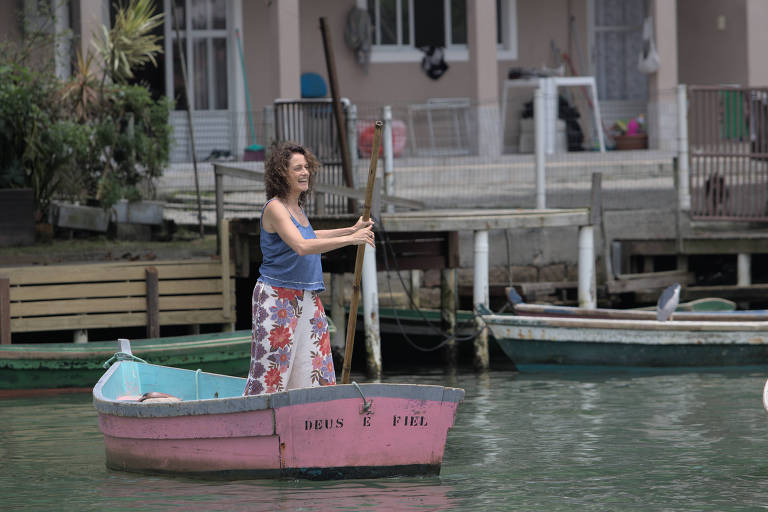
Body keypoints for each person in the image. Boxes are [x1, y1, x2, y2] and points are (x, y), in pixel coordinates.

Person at [243, 141, 375, 396]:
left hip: (307, 297)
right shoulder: (275, 208)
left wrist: (352, 229)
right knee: (272, 373)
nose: (305, 172)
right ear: (282, 174)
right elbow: (302, 246)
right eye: (297, 168)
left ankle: (314, 412)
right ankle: (255, 415)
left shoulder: (297, 208)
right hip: (277, 297)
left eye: (306, 167)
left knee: (315, 369)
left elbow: (311, 235)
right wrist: (352, 240)